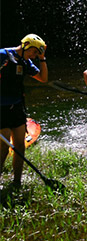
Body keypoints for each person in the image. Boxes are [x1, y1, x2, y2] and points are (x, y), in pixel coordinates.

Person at [0, 34, 48, 188]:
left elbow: (43, 78)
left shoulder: (26, 62)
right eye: (33, 52)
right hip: (2, 108)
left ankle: (17, 182)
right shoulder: (3, 55)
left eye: (36, 54)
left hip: (18, 107)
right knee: (3, 148)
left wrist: (42, 59)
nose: (33, 56)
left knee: (20, 146)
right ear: (26, 45)